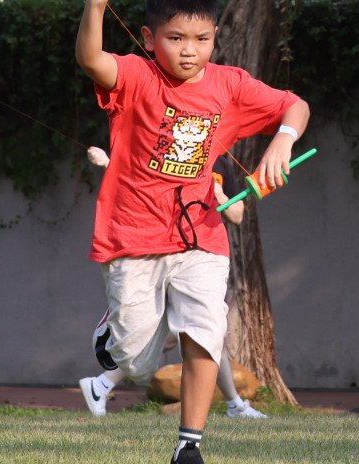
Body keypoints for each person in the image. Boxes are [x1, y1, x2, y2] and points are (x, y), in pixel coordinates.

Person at [74, 0, 309, 464]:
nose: (188, 49)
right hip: (133, 232)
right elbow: (91, 58)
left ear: (214, 36)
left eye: (201, 38)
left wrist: (282, 144)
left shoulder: (230, 84)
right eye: (175, 37)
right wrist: (96, 2)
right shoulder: (136, 75)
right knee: (135, 361)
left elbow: (295, 105)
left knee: (206, 330)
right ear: (148, 38)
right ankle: (110, 337)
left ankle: (189, 446)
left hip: (200, 232)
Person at [81, 147, 268, 421]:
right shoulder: (172, 153)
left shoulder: (223, 165)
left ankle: (102, 384)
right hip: (168, 253)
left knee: (206, 333)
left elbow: (237, 214)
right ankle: (103, 379)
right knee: (189, 334)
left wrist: (216, 194)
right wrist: (108, 162)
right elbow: (137, 185)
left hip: (203, 257)